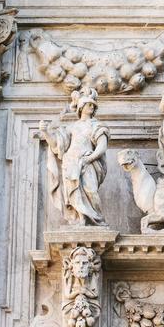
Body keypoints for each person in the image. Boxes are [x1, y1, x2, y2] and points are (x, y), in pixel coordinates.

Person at [34, 86, 108, 226]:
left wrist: (89, 159)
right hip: (71, 162)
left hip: (88, 161)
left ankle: (97, 220)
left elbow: (102, 147)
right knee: (74, 193)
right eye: (88, 104)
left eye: (93, 105)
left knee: (91, 190)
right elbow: (57, 145)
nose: (91, 107)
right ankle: (81, 219)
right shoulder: (72, 127)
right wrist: (46, 133)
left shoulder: (97, 125)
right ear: (81, 107)